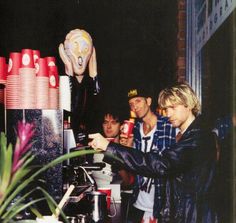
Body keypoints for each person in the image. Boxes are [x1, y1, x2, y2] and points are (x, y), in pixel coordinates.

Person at [89, 83, 218, 223]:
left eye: (172, 108)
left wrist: (109, 146)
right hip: (176, 211)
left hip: (193, 215)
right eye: (166, 109)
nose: (168, 114)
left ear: (188, 105)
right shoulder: (188, 134)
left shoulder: (198, 136)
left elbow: (162, 164)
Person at [113, 86, 177, 223]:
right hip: (139, 202)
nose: (135, 106)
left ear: (148, 101)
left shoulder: (168, 126)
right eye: (131, 104)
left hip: (162, 204)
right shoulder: (134, 129)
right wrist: (127, 149)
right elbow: (133, 166)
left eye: (138, 101)